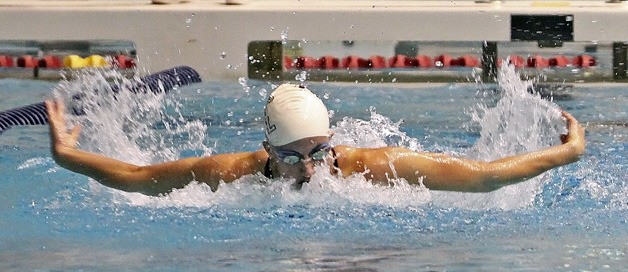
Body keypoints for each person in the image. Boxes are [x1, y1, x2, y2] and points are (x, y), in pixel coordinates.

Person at [46, 83, 586, 196]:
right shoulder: (230, 173)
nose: (309, 169)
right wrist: (68, 156)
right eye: (292, 157)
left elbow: (485, 177)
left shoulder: (373, 167)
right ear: (267, 151)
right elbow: (140, 179)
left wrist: (567, 153)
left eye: (319, 152)